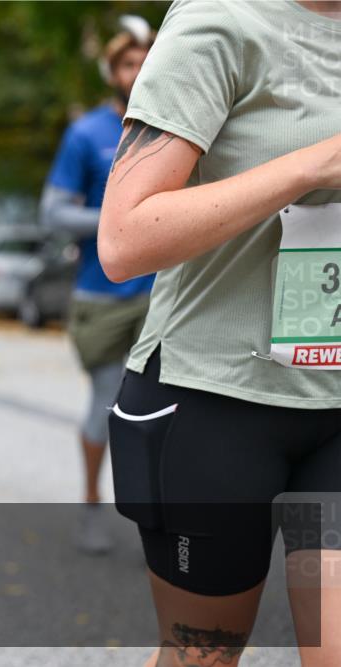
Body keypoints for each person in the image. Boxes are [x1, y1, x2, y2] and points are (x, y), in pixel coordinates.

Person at [98, 1, 340, 665]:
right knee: (201, 657)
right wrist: (307, 169)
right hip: (214, 399)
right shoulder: (221, 20)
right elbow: (123, 239)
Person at [39, 15, 156, 554]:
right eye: (129, 62)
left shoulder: (176, 126)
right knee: (106, 406)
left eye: (147, 59)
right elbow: (55, 213)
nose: (139, 70)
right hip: (102, 296)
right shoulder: (87, 133)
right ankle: (90, 503)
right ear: (113, 72)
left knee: (167, 415)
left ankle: (157, 523)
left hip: (166, 298)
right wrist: (121, 218)